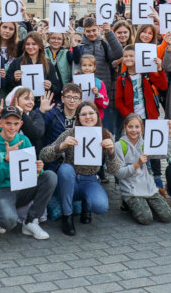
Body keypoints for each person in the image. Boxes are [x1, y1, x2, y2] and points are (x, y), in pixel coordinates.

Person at [40, 100, 119, 235]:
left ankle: (86, 204)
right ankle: (67, 216)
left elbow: (114, 170)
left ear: (97, 115)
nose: (88, 117)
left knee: (101, 206)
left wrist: (111, 152)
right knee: (65, 169)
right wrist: (61, 146)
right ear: (78, 118)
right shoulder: (70, 133)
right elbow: (43, 155)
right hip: (69, 180)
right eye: (83, 114)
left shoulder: (106, 135)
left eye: (91, 113)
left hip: (90, 180)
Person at [0, 107, 56, 239]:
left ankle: (31, 221)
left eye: (16, 124)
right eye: (8, 123)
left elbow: (30, 171)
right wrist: (6, 161)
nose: (12, 127)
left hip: (21, 187)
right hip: (1, 189)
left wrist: (38, 170)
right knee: (9, 221)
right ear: (0, 123)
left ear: (21, 124)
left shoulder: (23, 140)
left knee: (50, 176)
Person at [112, 114, 171, 225]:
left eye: (137, 127)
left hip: (148, 187)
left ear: (142, 128)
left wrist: (170, 135)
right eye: (130, 127)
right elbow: (119, 174)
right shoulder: (119, 146)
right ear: (125, 127)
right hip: (131, 190)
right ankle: (127, 203)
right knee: (146, 219)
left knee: (167, 216)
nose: (134, 130)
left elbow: (167, 154)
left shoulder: (145, 144)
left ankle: (145, 202)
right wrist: (137, 164)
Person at [72, 17, 123, 135]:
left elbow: (119, 53)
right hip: (83, 94)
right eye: (88, 31)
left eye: (94, 30)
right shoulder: (80, 46)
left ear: (99, 29)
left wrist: (109, 32)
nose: (91, 33)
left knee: (103, 127)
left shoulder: (104, 45)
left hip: (102, 92)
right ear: (84, 31)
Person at [4, 32, 62, 98]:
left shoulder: (48, 64)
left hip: (41, 103)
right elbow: (6, 86)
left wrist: (50, 86)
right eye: (27, 44)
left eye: (34, 44)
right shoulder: (16, 63)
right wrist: (14, 79)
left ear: (40, 46)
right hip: (21, 102)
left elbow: (57, 88)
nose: (30, 47)